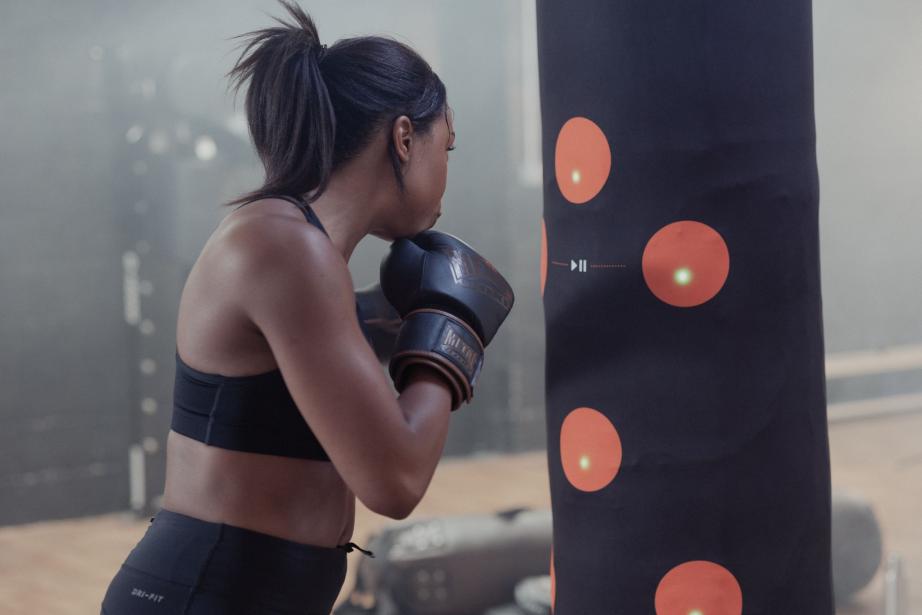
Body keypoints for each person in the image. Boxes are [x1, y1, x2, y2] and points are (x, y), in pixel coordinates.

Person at [100, 2, 514, 614]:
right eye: (445, 146)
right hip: (205, 597)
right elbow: (393, 482)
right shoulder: (285, 247)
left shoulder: (296, 246)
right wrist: (451, 333)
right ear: (404, 138)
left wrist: (394, 321)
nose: (448, 170)